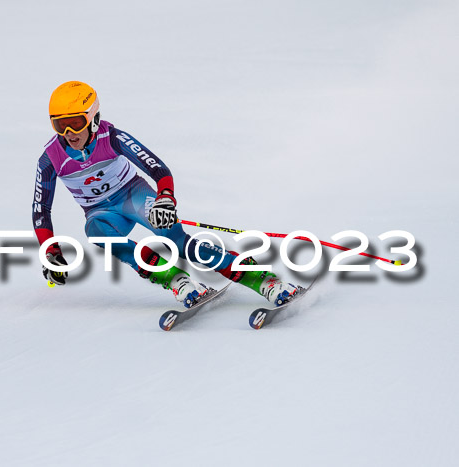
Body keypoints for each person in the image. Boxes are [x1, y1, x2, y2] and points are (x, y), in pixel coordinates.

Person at [32, 81, 299, 308]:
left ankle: (262, 279)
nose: (69, 134)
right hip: (100, 213)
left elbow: (158, 169)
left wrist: (165, 198)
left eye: (76, 123)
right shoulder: (50, 158)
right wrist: (50, 250)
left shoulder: (112, 137)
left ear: (93, 118)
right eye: (60, 125)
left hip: (132, 195)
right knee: (97, 233)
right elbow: (41, 210)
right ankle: (176, 280)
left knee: (176, 241)